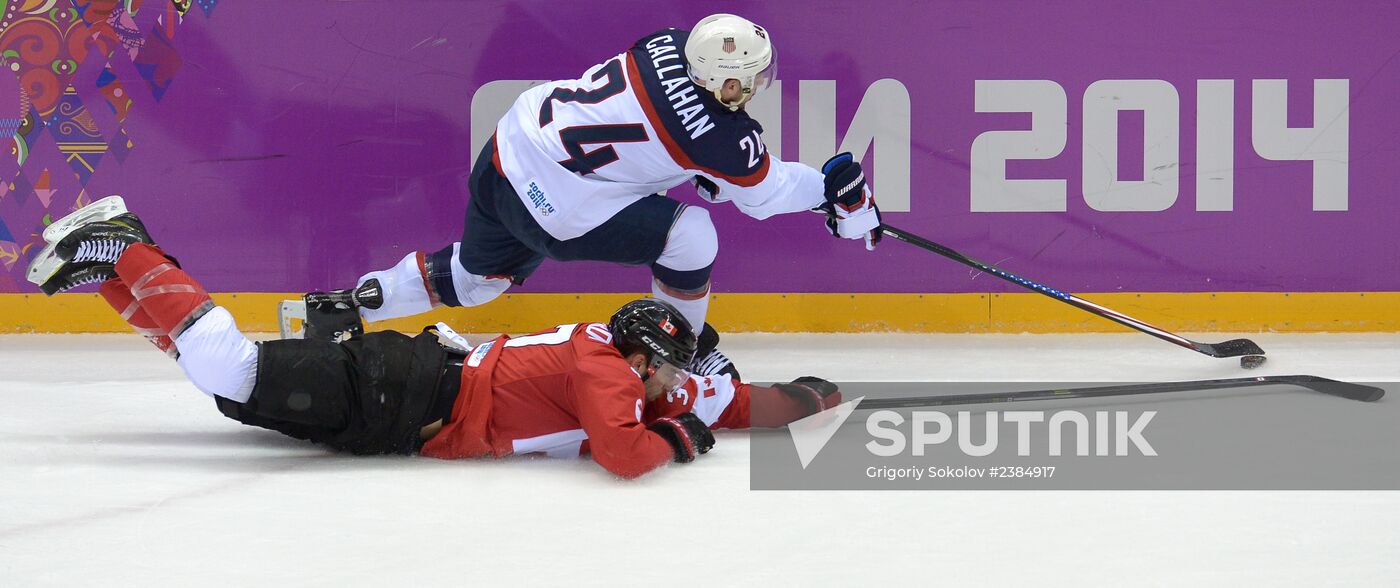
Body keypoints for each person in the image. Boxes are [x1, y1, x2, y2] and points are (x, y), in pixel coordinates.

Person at [27, 201, 843, 478]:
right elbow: (627, 455)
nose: (671, 382)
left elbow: (746, 406)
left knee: (228, 390)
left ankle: (110, 271)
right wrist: (679, 435)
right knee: (236, 373)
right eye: (665, 368)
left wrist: (820, 395)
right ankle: (126, 246)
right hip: (409, 393)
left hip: (410, 389)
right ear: (638, 355)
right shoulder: (610, 374)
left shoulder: (613, 357)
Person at [293, 13, 882, 379]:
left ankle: (350, 305)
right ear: (724, 82)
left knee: (476, 279)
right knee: (694, 237)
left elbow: (648, 139)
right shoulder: (723, 134)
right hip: (553, 205)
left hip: (509, 147)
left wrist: (699, 172)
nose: (758, 85)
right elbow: (765, 193)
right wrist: (837, 199)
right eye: (751, 78)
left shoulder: (668, 43)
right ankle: (684, 350)